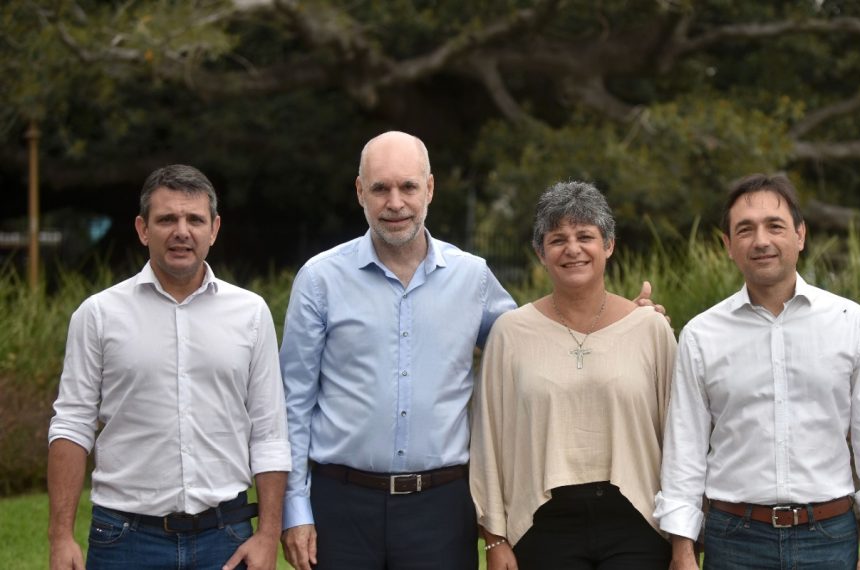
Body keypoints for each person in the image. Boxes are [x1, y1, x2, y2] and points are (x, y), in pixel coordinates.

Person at [279, 131, 663, 570]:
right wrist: (296, 511)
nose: (395, 202)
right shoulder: (320, 279)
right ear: (360, 192)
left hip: (440, 508)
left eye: (408, 186)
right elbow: (293, 404)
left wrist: (621, 323)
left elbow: (539, 339)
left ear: (430, 189)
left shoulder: (472, 277)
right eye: (381, 188)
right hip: (341, 504)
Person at [654, 173, 860, 570]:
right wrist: (682, 549)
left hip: (828, 537)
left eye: (775, 226)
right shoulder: (701, 334)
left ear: (800, 235)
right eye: (745, 229)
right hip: (734, 539)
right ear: (728, 246)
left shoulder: (849, 322)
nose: (761, 240)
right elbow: (685, 449)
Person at [47, 164, 291, 570]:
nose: (182, 231)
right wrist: (60, 537)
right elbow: (72, 425)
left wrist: (268, 535)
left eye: (195, 219)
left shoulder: (251, 313)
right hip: (124, 540)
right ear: (143, 229)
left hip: (226, 539)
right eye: (167, 219)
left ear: (214, 229)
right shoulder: (98, 315)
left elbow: (269, 432)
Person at [470, 181, 676, 570]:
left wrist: (683, 537)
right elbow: (487, 440)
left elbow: (678, 436)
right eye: (557, 239)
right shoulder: (510, 333)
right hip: (542, 523)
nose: (573, 249)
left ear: (609, 245)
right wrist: (494, 537)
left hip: (638, 520)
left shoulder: (650, 329)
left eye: (586, 236)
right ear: (540, 252)